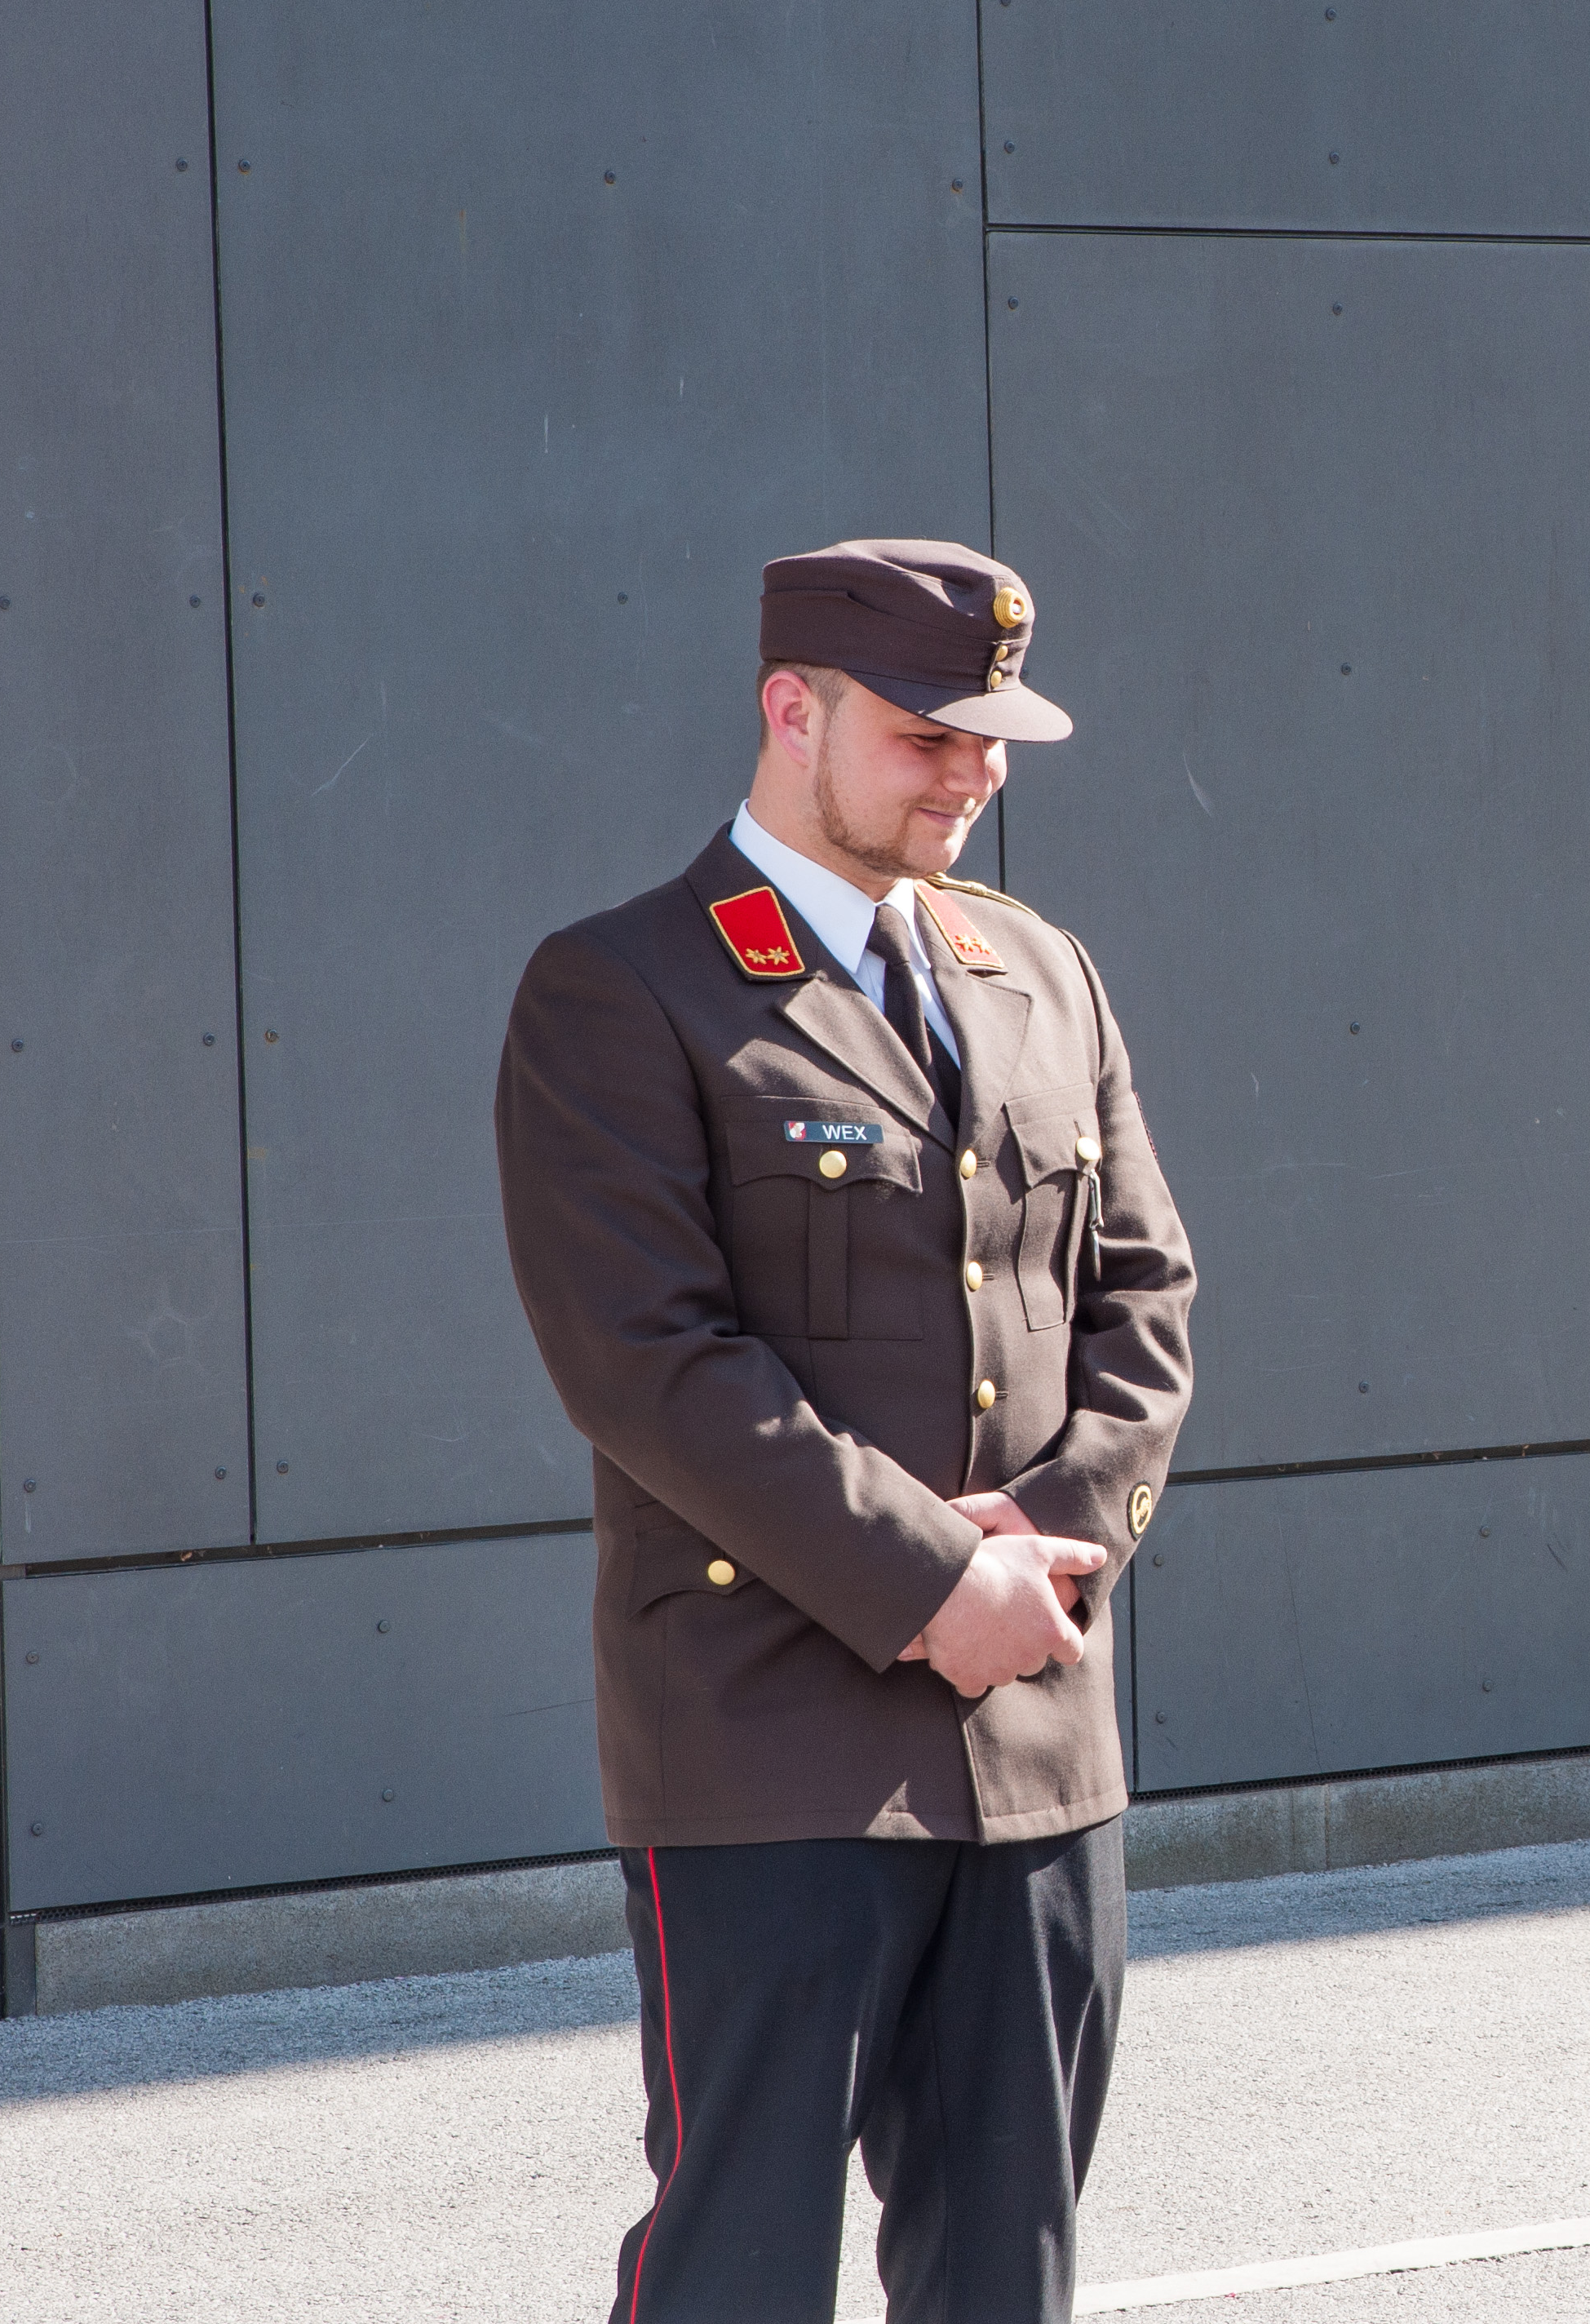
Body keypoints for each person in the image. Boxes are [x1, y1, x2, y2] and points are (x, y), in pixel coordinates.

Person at [494, 539, 1198, 2323]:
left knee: (1005, 2268)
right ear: (788, 711)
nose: (971, 774)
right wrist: (931, 1574)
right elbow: (649, 1359)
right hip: (766, 1737)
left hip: (1032, 1727)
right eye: (925, 735)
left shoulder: (1041, 968)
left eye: (995, 740)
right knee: (741, 2259)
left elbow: (1143, 1297)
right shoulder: (624, 990)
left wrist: (1044, 1550)